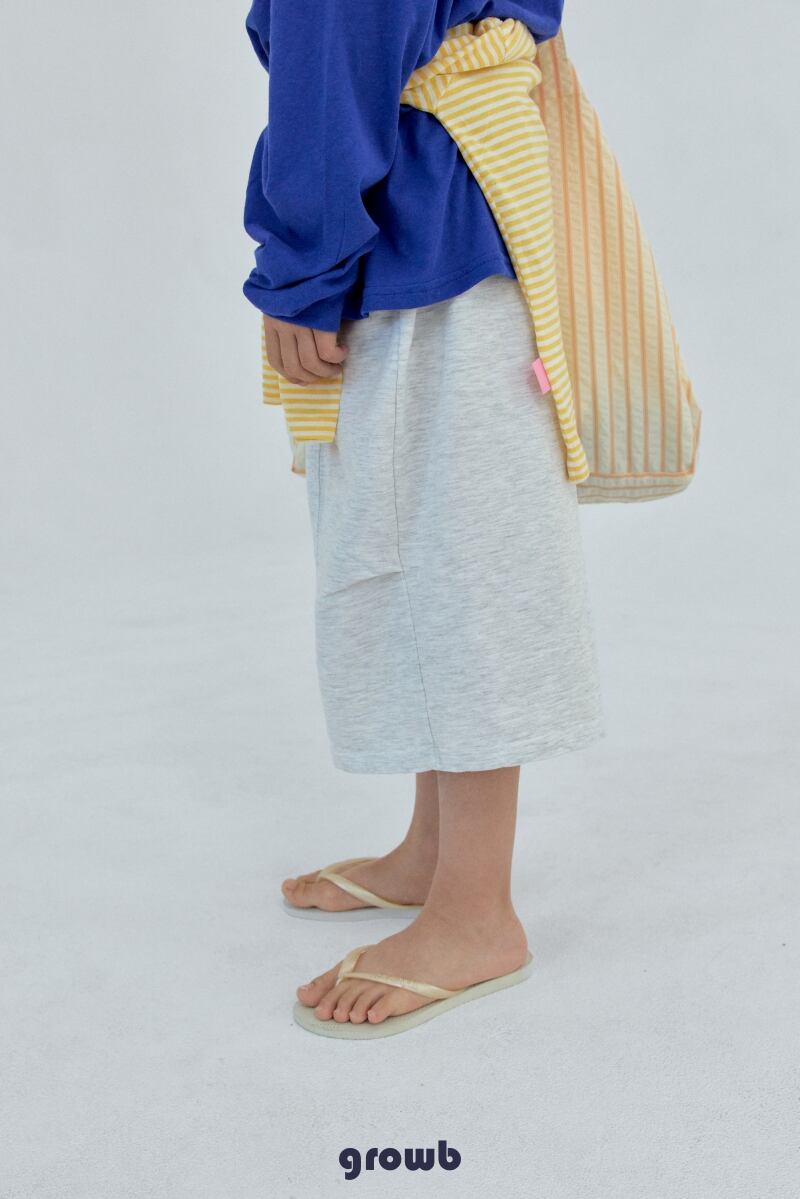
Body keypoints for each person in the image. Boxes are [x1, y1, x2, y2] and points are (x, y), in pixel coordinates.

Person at [243, 0, 604, 1038]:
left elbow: (333, 49)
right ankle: (435, 852)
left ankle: (475, 911)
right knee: (428, 542)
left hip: (422, 235)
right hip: (462, 207)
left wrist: (300, 267)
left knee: (453, 561)